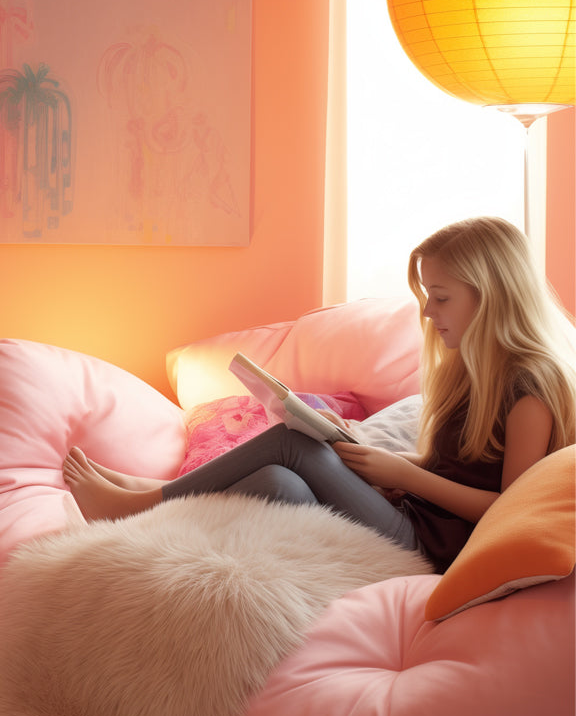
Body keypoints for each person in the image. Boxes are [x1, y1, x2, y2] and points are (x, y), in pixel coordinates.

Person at [63, 216, 576, 572]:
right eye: (426, 297)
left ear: (492, 296)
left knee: (291, 440)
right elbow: (456, 466)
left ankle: (142, 503)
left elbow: (510, 509)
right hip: (412, 514)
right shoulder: (471, 370)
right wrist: (387, 463)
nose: (426, 313)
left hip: (435, 549)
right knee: (278, 484)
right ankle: (151, 507)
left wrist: (405, 475)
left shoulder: (530, 388)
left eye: (440, 298)